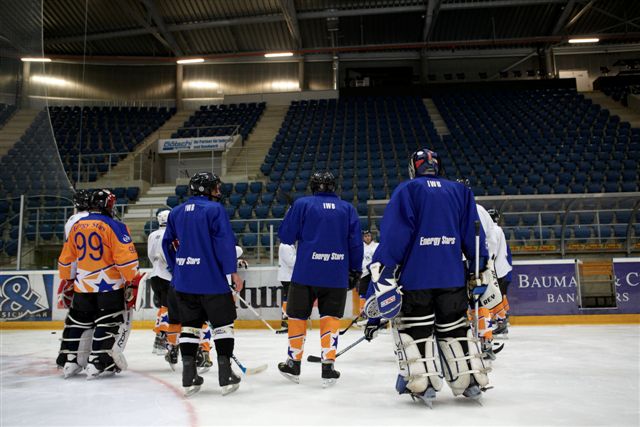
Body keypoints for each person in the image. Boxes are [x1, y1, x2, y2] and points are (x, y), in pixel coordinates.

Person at [364, 149, 494, 405]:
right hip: (452, 279)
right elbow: (474, 236)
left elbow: (394, 239)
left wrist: (382, 277)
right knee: (455, 329)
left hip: (416, 280)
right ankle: (469, 380)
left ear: (414, 168)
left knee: (417, 330)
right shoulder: (460, 191)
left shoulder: (407, 190)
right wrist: (478, 269)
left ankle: (423, 384)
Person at [277, 171, 363, 387]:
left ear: (313, 186)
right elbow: (355, 243)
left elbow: (286, 236)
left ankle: (293, 363)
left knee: (297, 317)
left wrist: (292, 213)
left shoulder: (302, 204)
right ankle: (328, 367)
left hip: (306, 272)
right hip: (336, 273)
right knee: (331, 317)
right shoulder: (348, 209)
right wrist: (355, 270)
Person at [162, 172, 244, 397]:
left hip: (184, 281)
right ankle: (225, 376)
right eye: (215, 187)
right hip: (212, 281)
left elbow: (167, 244)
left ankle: (189, 377)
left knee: (190, 326)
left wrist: (177, 267)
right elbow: (224, 243)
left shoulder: (176, 212)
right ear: (205, 189)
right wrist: (232, 272)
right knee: (223, 326)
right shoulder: (215, 210)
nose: (218, 191)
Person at [57, 189, 144, 379]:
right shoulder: (115, 225)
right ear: (108, 205)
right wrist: (131, 278)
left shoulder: (77, 225)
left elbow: (67, 258)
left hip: (82, 285)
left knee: (79, 321)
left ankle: (71, 360)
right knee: (108, 321)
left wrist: (68, 278)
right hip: (109, 285)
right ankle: (98, 361)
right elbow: (125, 259)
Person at [486, 208, 512, 338]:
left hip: (494, 269)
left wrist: (487, 265)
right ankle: (501, 322)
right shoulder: (498, 229)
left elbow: (492, 252)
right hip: (500, 269)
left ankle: (500, 322)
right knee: (497, 297)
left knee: (492, 297)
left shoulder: (493, 230)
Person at [356, 230, 379, 318]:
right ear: (363, 237)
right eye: (365, 236)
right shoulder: (360, 247)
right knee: (363, 293)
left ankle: (376, 313)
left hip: (375, 273)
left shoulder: (377, 246)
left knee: (376, 293)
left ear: (371, 236)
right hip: (364, 274)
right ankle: (363, 313)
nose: (367, 237)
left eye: (369, 235)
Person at [277, 243, 296, 333]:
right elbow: (291, 262)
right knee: (289, 298)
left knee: (288, 298)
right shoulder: (285, 246)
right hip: (287, 277)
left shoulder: (289, 245)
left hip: (288, 276)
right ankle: (285, 322)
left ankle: (286, 321)